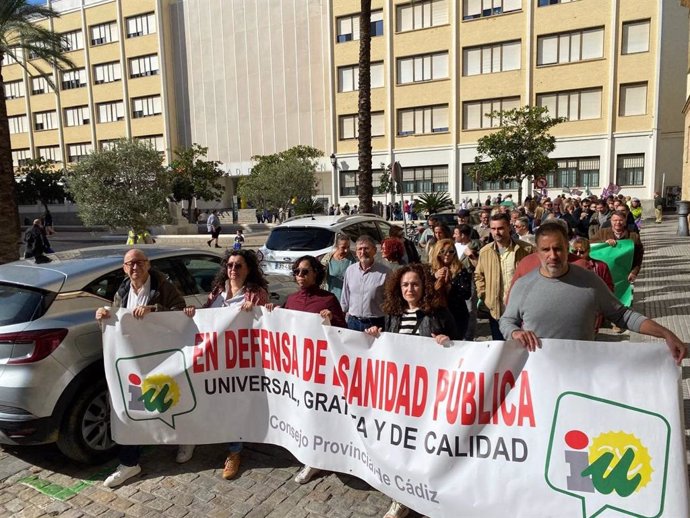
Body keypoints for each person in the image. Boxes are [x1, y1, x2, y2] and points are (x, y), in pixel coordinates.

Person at [500, 221, 685, 365]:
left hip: (583, 371)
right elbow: (507, 320)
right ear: (537, 252)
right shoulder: (524, 285)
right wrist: (515, 332)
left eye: (558, 248)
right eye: (546, 250)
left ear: (567, 248)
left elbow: (623, 315)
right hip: (537, 372)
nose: (553, 255)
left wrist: (666, 333)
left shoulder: (590, 281)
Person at [95, 249, 195, 488]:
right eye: (130, 264)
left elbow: (180, 313)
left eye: (139, 262)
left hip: (164, 357)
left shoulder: (163, 286)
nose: (135, 267)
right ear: (124, 268)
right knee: (131, 407)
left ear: (148, 265)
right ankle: (129, 463)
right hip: (134, 361)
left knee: (173, 400)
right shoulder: (121, 290)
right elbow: (116, 323)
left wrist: (155, 311)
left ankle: (187, 439)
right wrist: (103, 316)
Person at [364, 263, 457, 518]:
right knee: (399, 446)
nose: (410, 289)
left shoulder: (437, 312)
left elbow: (461, 345)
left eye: (415, 284)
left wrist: (446, 341)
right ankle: (401, 497)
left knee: (422, 447)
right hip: (399, 393)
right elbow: (391, 345)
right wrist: (376, 334)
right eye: (405, 284)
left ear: (423, 286)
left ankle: (427, 493)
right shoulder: (394, 313)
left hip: (428, 394)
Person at [183, 249, 269, 479]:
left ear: (248, 269)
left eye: (239, 265)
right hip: (213, 359)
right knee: (208, 399)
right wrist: (193, 312)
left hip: (239, 361)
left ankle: (234, 452)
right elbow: (205, 318)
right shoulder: (216, 293)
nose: (233, 269)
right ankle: (197, 437)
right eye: (230, 265)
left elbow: (268, 323)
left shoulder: (255, 293)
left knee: (234, 404)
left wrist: (257, 312)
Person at [267, 255, 347, 484]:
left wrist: (331, 320)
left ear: (316, 274)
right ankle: (307, 453)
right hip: (295, 370)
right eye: (296, 271)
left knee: (318, 413)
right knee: (300, 411)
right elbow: (278, 328)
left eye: (304, 271)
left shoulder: (329, 299)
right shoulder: (291, 299)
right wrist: (272, 312)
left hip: (320, 371)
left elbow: (344, 333)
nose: (299, 276)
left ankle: (317, 459)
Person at [474, 213, 532, 340]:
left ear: (509, 227)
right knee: (499, 346)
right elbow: (479, 275)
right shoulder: (485, 251)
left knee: (521, 347)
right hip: (496, 310)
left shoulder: (526, 249)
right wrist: (484, 295)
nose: (496, 232)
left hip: (520, 310)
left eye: (500, 228)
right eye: (493, 229)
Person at [341, 235, 390, 331]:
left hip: (375, 324)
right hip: (353, 322)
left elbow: (390, 301)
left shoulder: (385, 272)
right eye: (360, 249)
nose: (363, 252)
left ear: (374, 250)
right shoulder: (350, 270)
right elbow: (345, 298)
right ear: (356, 252)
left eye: (366, 248)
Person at [430, 239, 471, 339]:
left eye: (451, 251)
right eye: (443, 251)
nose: (447, 254)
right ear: (437, 253)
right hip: (436, 315)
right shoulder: (430, 269)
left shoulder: (461, 269)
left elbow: (466, 294)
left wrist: (450, 284)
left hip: (457, 314)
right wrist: (434, 277)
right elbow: (424, 291)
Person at [591, 210, 644, 283]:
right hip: (605, 274)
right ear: (611, 221)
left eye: (621, 220)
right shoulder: (602, 232)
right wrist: (604, 244)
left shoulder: (633, 236)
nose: (618, 223)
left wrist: (634, 272)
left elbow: (638, 257)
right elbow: (591, 246)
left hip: (625, 275)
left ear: (625, 221)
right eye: (615, 220)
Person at [321, 235, 356, 301]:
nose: (346, 250)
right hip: (330, 298)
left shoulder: (355, 259)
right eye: (343, 247)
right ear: (337, 246)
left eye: (348, 247)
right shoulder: (327, 259)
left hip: (349, 299)